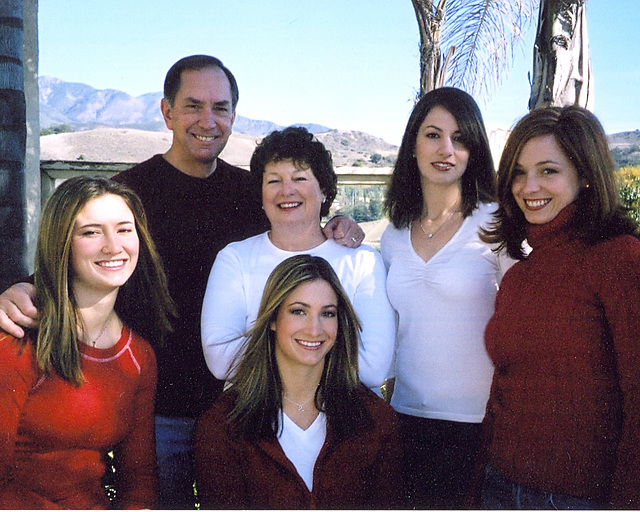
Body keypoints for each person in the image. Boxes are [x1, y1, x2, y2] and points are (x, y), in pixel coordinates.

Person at [0, 55, 363, 508]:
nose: (207, 121)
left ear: (234, 115)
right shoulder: (130, 193)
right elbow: (74, 258)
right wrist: (20, 290)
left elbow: (300, 232)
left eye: (221, 108)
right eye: (193, 106)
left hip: (244, 410)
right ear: (166, 112)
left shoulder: (252, 193)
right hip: (156, 411)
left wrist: (340, 225)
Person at [480, 106, 640, 509]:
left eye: (548, 170)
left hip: (578, 499)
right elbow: (503, 390)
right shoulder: (519, 275)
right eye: (518, 172)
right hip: (499, 487)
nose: (528, 186)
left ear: (585, 175)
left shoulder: (620, 260)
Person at [0, 176, 175, 509]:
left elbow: (138, 480)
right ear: (61, 242)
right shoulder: (17, 342)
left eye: (124, 229)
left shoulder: (138, 356)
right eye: (91, 232)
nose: (113, 246)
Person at [380, 87, 513, 509]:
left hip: (480, 427)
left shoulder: (497, 224)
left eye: (460, 139)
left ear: (473, 151)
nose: (446, 150)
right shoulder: (393, 235)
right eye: (433, 135)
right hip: (405, 421)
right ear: (413, 145)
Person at [195, 254, 403, 508]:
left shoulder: (375, 419)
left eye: (327, 314)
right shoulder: (224, 424)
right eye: (298, 311)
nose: (314, 329)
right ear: (272, 319)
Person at [201, 126, 395, 392]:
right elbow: (221, 360)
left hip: (344, 424)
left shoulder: (361, 261)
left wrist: (278, 344)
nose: (286, 190)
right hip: (257, 421)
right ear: (260, 194)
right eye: (273, 180)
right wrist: (319, 346)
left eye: (300, 179)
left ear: (324, 189)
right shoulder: (235, 259)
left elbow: (373, 368)